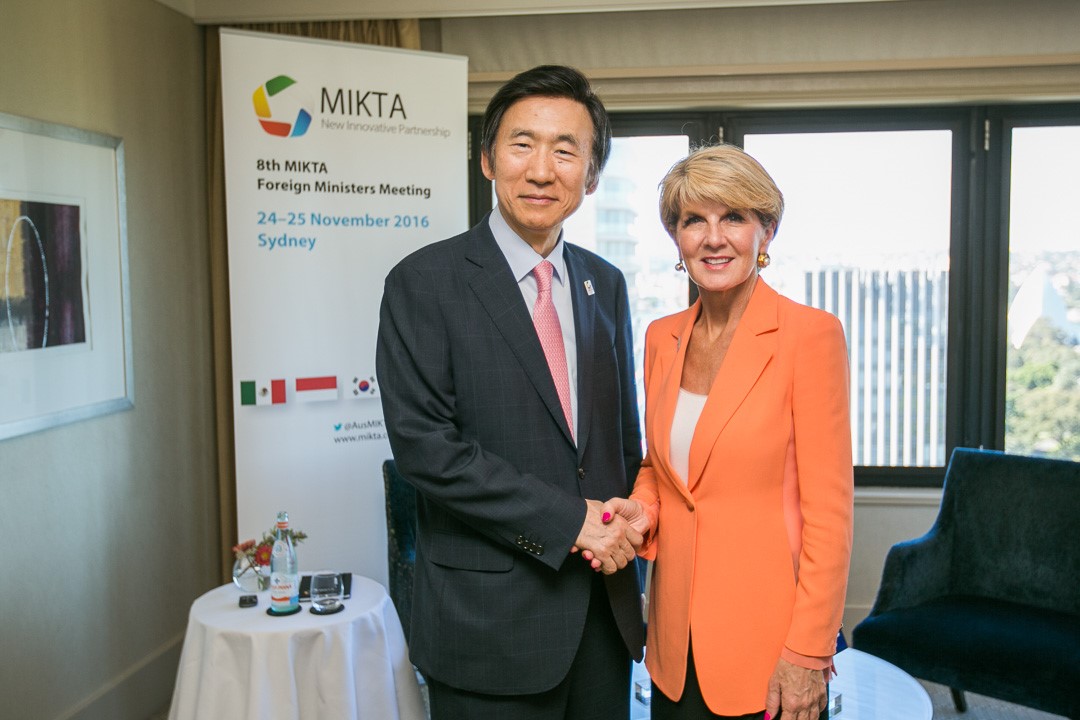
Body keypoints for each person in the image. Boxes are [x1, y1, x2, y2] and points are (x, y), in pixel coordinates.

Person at [376, 65, 645, 720]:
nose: (542, 169)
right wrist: (571, 521)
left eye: (566, 149)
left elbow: (621, 442)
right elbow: (427, 452)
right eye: (523, 144)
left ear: (592, 173)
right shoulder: (424, 282)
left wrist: (631, 521)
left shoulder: (603, 283)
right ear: (487, 158)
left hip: (601, 620)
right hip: (487, 626)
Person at [602, 144, 854, 720]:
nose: (714, 238)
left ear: (766, 231)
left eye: (734, 217)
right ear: (677, 238)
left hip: (768, 645)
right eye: (695, 220)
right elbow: (663, 469)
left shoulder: (808, 337)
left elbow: (830, 513)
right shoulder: (661, 338)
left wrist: (808, 651)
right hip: (671, 641)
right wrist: (642, 512)